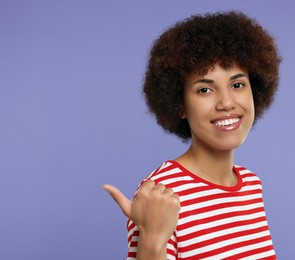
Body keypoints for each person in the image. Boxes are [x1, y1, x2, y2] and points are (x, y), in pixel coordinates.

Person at [104, 11, 281, 260]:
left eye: (237, 84)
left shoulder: (251, 184)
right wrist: (153, 239)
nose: (226, 102)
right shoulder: (162, 195)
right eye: (205, 89)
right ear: (180, 105)